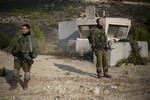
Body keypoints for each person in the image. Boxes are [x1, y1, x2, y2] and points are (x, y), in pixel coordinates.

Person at [9, 24, 39, 90]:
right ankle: (14, 84)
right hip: (18, 58)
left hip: (27, 59)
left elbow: (36, 49)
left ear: (28, 30)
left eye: (24, 29)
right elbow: (13, 45)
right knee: (15, 72)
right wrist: (14, 52)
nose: (22, 30)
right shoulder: (19, 37)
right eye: (22, 29)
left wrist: (32, 56)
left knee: (27, 74)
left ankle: (25, 84)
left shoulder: (32, 39)